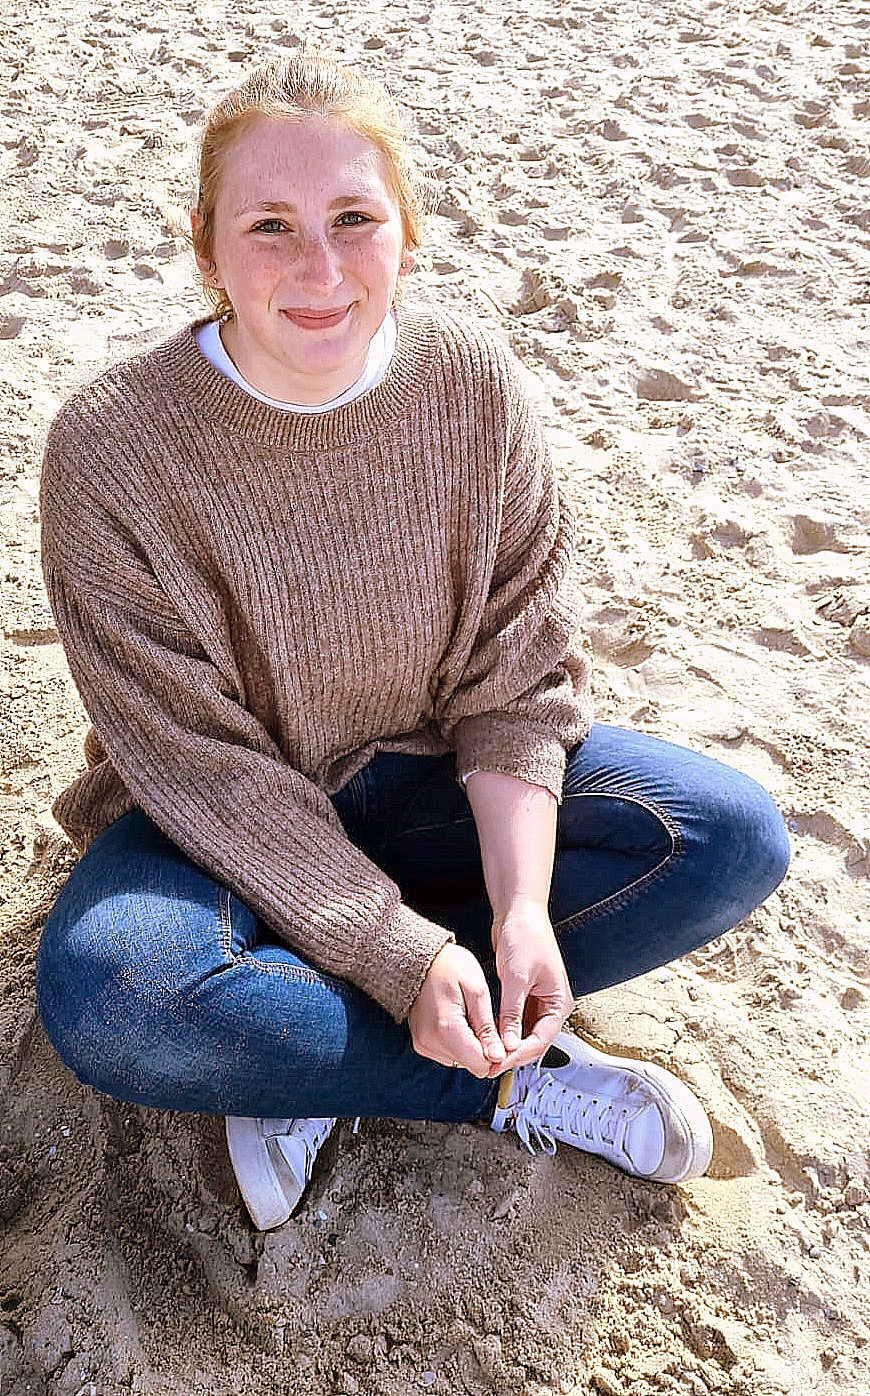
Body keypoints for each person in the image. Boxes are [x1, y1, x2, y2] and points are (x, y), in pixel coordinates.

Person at [36, 53, 790, 1231]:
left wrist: (522, 908)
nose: (319, 269)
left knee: (729, 838)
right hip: (209, 826)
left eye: (354, 219)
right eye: (270, 226)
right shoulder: (107, 447)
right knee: (115, 996)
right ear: (207, 249)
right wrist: (397, 954)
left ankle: (300, 1037)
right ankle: (497, 1077)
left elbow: (517, 678)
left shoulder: (471, 386)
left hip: (433, 781)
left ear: (408, 233)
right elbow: (198, 766)